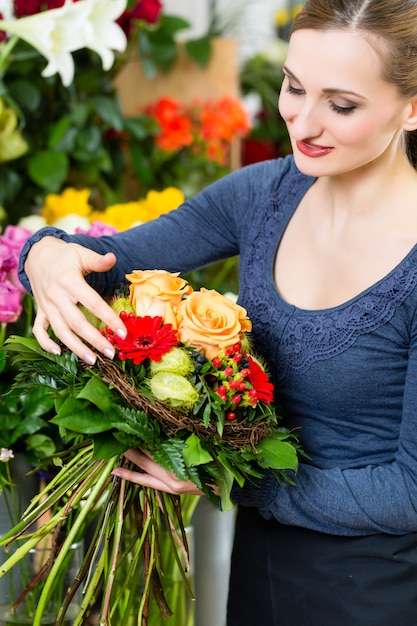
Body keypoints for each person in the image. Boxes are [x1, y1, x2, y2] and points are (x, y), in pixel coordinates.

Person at [18, 0, 417, 623]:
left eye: (341, 106)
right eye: (293, 87)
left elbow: (410, 492)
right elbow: (108, 258)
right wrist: (43, 255)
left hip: (380, 592)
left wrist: (225, 476)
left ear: (412, 107)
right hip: (259, 570)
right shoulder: (262, 195)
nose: (303, 122)